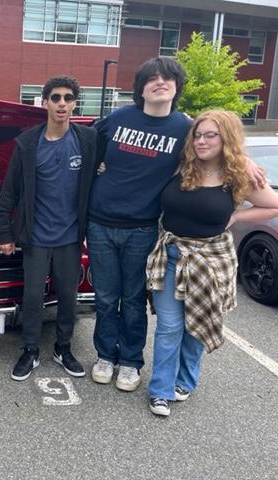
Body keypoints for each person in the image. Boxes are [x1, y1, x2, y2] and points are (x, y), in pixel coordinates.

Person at [146, 109, 278, 416]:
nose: (202, 141)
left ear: (226, 139)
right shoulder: (183, 164)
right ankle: (160, 391)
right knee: (169, 326)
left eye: (211, 135)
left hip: (212, 260)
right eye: (198, 134)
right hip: (171, 254)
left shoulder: (238, 176)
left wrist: (237, 215)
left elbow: (273, 204)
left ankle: (185, 381)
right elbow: (179, 115)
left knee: (196, 327)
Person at [86, 57, 193, 392]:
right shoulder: (118, 118)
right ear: (141, 87)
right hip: (100, 223)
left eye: (167, 78)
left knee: (133, 299)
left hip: (142, 228)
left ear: (176, 87)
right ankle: (105, 355)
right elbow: (86, 146)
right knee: (104, 297)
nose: (160, 82)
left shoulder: (184, 129)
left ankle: (131, 361)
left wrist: (246, 163)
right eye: (152, 78)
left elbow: (219, 144)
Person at [0, 76, 97, 381]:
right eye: (55, 98)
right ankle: (30, 350)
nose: (62, 103)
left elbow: (111, 169)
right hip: (36, 237)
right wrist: (5, 233)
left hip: (70, 238)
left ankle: (63, 347)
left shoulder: (88, 141)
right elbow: (9, 191)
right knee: (32, 297)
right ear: (44, 103)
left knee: (68, 296)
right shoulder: (28, 143)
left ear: (75, 104)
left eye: (68, 98)